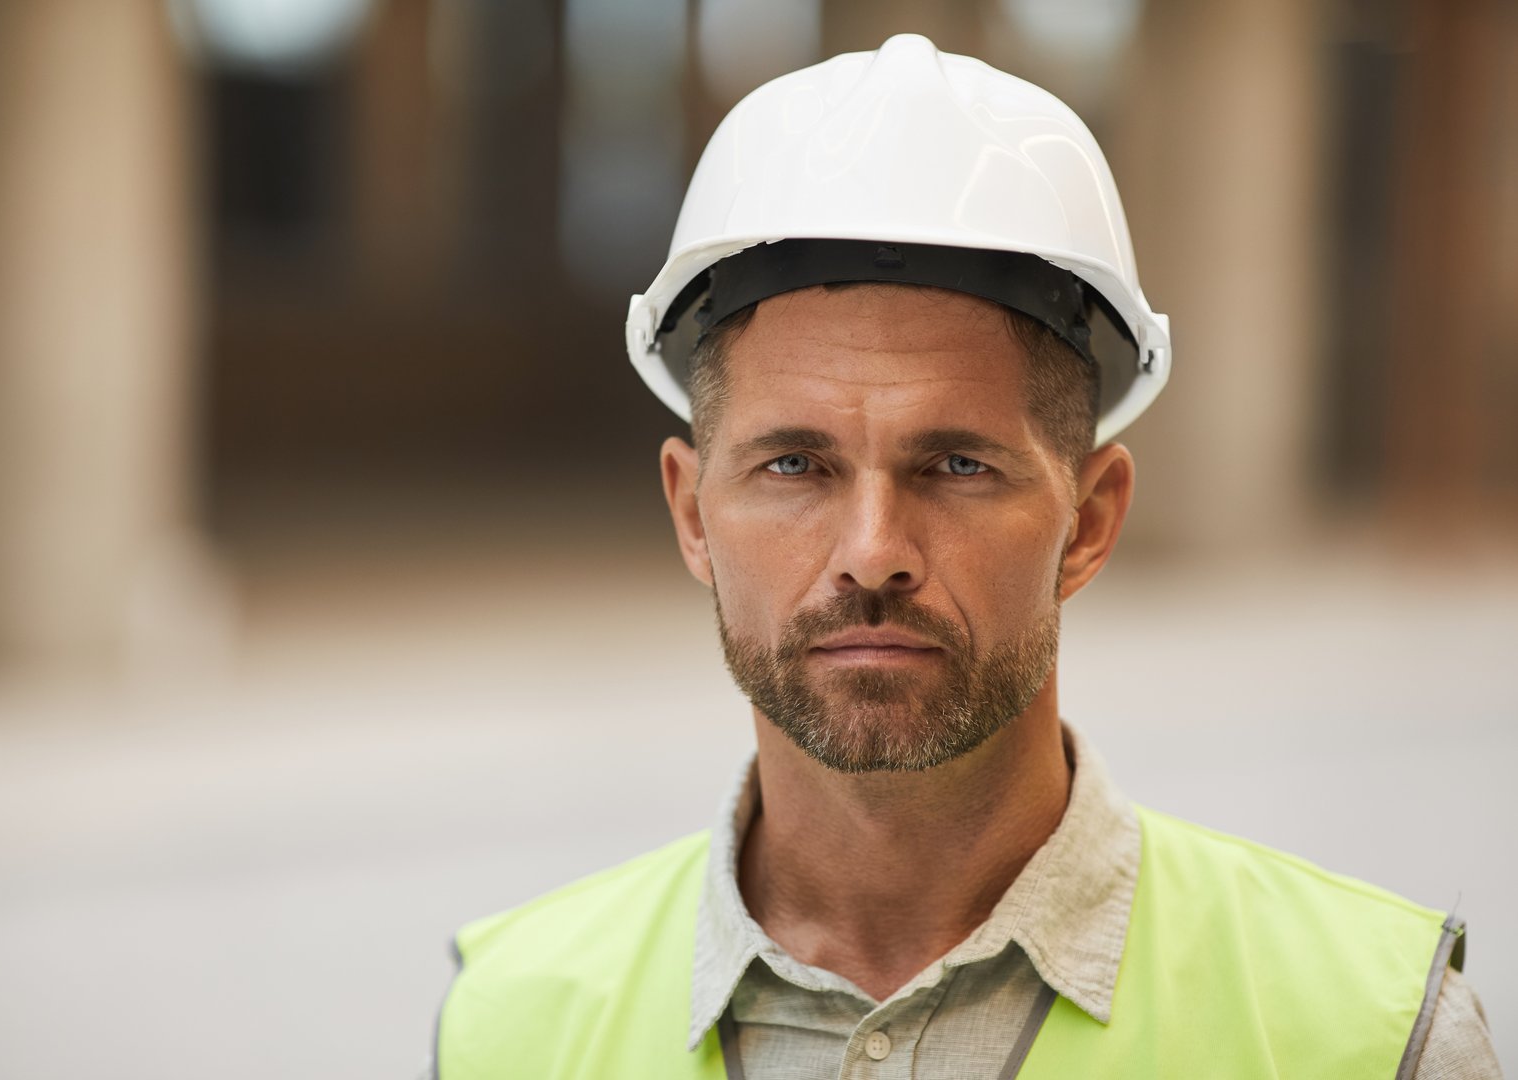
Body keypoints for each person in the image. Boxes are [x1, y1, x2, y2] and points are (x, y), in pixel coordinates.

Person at [433, 34, 1501, 1078]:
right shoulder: (510, 1025)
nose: (872, 554)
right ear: (693, 515)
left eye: (955, 465)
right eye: (797, 465)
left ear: (1088, 521)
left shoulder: (1367, 1034)